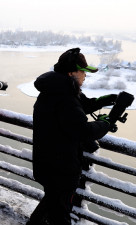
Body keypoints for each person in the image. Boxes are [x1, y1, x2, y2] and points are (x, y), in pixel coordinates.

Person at [28, 48, 116, 225]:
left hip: (47, 163)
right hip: (61, 168)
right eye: (82, 71)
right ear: (71, 73)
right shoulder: (65, 96)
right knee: (60, 214)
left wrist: (104, 100)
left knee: (52, 203)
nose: (85, 75)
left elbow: (77, 109)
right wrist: (105, 123)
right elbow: (83, 130)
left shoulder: (56, 90)